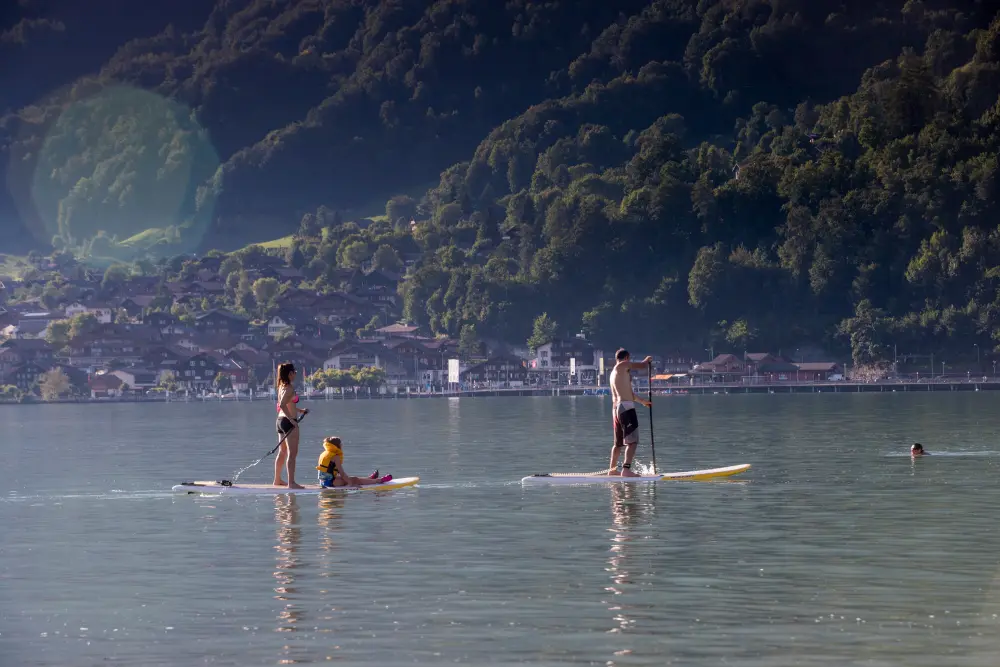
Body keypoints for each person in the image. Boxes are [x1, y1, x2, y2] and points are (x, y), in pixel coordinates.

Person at [608, 348, 653, 477]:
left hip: (616, 409)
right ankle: (626, 470)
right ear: (626, 358)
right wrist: (647, 360)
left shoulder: (614, 373)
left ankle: (612, 469)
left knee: (618, 443)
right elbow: (642, 365)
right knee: (632, 441)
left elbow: (630, 394)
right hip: (626, 408)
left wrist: (643, 401)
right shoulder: (622, 365)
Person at [274, 362, 308, 489]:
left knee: (282, 452)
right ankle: (291, 483)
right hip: (288, 421)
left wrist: (300, 411)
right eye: (294, 373)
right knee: (292, 454)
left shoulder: (281, 387)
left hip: (279, 421)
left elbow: (287, 405)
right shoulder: (290, 388)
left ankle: (277, 480)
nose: (295, 375)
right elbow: (282, 404)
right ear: (290, 374)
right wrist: (292, 420)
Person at [316, 436, 392, 488]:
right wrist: (350, 484)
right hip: (330, 483)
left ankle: (369, 479)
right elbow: (342, 473)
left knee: (351, 478)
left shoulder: (325, 454)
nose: (342, 445)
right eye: (341, 444)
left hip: (323, 481)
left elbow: (330, 471)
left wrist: (348, 480)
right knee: (354, 480)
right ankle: (379, 480)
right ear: (337, 446)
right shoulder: (335, 457)